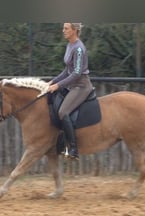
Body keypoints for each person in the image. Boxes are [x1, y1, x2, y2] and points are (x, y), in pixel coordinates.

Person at [47, 23, 94, 160]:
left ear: (74, 30)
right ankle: (60, 143)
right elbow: (67, 70)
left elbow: (77, 73)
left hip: (81, 86)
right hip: (72, 85)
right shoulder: (69, 45)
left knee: (63, 111)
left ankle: (73, 149)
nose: (63, 31)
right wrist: (53, 81)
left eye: (66, 28)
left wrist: (58, 86)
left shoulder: (79, 48)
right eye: (63, 28)